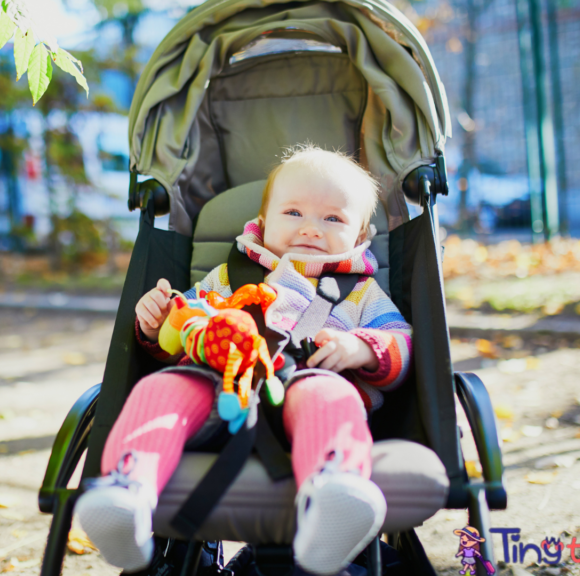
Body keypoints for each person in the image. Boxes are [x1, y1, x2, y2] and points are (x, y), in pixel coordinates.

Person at [75, 145, 413, 575]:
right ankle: (128, 490)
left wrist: (364, 348)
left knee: (331, 396)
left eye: (332, 218)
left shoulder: (363, 293)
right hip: (218, 393)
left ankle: (334, 492)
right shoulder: (225, 277)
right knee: (159, 387)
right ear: (263, 221)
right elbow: (183, 334)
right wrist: (157, 322)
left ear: (361, 236)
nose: (310, 228)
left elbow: (403, 341)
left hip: (305, 389)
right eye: (293, 213)